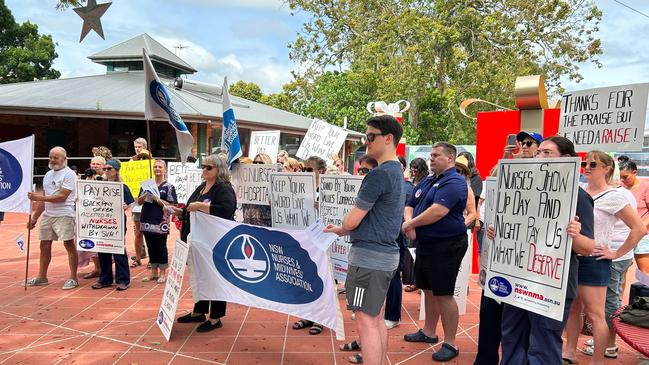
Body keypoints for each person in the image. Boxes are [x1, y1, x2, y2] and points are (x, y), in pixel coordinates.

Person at [487, 136, 595, 365]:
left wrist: (574, 234)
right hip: (517, 281)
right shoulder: (523, 190)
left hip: (551, 287)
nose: (539, 157)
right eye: (540, 153)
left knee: (543, 345)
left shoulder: (578, 197)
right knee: (512, 338)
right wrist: (500, 233)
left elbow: (587, 248)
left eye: (547, 153)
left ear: (567, 159)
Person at [324, 115, 405, 365]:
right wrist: (342, 229)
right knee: (376, 318)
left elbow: (353, 220)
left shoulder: (379, 175)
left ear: (388, 139)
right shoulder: (396, 172)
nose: (366, 142)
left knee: (365, 320)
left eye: (370, 137)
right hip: (384, 257)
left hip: (369, 260)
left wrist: (344, 226)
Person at [563, 151, 645, 364]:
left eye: (593, 164)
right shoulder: (579, 190)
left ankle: (597, 361)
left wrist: (616, 253)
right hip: (574, 256)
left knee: (595, 314)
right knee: (573, 310)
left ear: (607, 169)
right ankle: (569, 353)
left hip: (595, 260)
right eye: (585, 163)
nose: (587, 167)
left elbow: (638, 228)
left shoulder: (615, 196)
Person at [401, 142, 468, 362]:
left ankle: (451, 342)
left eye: (436, 155)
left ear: (450, 158)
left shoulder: (455, 181)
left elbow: (438, 212)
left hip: (447, 244)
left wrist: (411, 225)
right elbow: (410, 203)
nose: (431, 158)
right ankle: (429, 332)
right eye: (430, 155)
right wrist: (410, 221)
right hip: (427, 244)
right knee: (427, 289)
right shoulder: (429, 180)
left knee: (444, 293)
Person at [175, 155, 237, 332]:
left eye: (209, 167)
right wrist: (179, 212)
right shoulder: (202, 186)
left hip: (214, 241)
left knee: (214, 277)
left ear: (219, 170)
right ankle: (199, 311)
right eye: (203, 166)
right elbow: (190, 208)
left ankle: (216, 317)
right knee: (199, 275)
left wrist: (200, 206)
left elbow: (227, 210)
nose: (204, 170)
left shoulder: (223, 188)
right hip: (197, 240)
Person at [26, 147, 79, 290]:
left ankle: (73, 277)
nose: (52, 160)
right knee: (44, 245)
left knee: (68, 245)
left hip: (64, 214)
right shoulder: (48, 175)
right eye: (51, 157)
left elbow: (62, 196)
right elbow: (44, 199)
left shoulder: (69, 174)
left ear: (65, 158)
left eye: (56, 157)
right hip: (48, 215)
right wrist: (35, 218)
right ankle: (42, 277)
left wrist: (39, 197)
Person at [91, 159, 134, 291]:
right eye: (105, 169)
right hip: (102, 223)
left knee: (118, 250)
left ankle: (123, 280)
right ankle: (105, 279)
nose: (106, 171)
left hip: (117, 223)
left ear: (116, 170)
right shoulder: (99, 185)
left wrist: (125, 206)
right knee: (103, 250)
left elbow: (131, 202)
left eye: (109, 169)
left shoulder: (122, 187)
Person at [138, 160, 177, 283]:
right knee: (150, 246)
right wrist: (145, 195)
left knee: (160, 246)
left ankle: (163, 272)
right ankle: (153, 271)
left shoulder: (169, 187)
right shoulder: (146, 184)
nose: (157, 169)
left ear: (164, 169)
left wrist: (157, 199)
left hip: (161, 219)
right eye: (155, 167)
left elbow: (172, 204)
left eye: (160, 167)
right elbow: (138, 202)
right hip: (147, 217)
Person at [402, 157, 430, 293]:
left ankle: (420, 283)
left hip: (422, 222)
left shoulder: (427, 182)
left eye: (415, 167)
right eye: (411, 167)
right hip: (412, 221)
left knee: (419, 254)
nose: (412, 170)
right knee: (413, 253)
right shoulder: (414, 182)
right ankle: (415, 282)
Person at [78, 155, 107, 280]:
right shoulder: (89, 176)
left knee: (103, 242)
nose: (94, 166)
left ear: (103, 166)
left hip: (103, 214)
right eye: (93, 164)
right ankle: (97, 267)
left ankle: (103, 268)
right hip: (89, 214)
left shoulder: (106, 177)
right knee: (92, 242)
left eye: (98, 164)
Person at [619, 157, 649, 274]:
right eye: (620, 177)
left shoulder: (646, 186)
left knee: (644, 269)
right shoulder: (621, 188)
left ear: (634, 172)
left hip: (642, 234)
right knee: (622, 270)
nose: (622, 180)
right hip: (624, 234)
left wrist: (640, 227)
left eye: (625, 177)